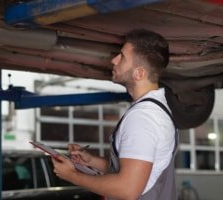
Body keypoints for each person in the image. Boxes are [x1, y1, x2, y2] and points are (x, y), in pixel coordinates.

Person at [52, 29, 178, 200]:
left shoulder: (143, 118)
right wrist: (91, 161)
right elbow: (136, 169)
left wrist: (72, 175)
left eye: (122, 57)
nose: (114, 60)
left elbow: (127, 189)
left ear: (139, 73)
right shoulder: (156, 110)